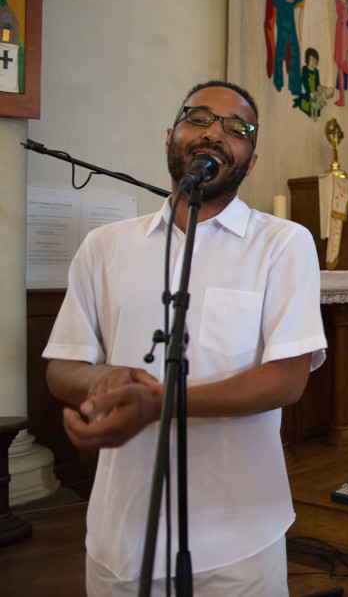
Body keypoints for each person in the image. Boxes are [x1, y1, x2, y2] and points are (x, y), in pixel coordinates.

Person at [43, 81, 328, 596]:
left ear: (251, 158)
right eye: (199, 118)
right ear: (170, 135)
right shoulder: (104, 247)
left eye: (236, 128)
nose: (216, 133)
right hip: (123, 529)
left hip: (239, 533)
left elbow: (287, 379)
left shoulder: (282, 244)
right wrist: (104, 379)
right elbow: (63, 366)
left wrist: (158, 404)